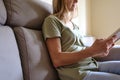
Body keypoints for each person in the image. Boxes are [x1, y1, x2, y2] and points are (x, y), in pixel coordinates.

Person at [42, 0, 120, 80]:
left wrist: (98, 51)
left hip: (92, 64)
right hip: (78, 72)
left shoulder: (74, 26)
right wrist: (92, 51)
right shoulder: (52, 21)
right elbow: (57, 60)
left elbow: (80, 49)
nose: (76, 1)